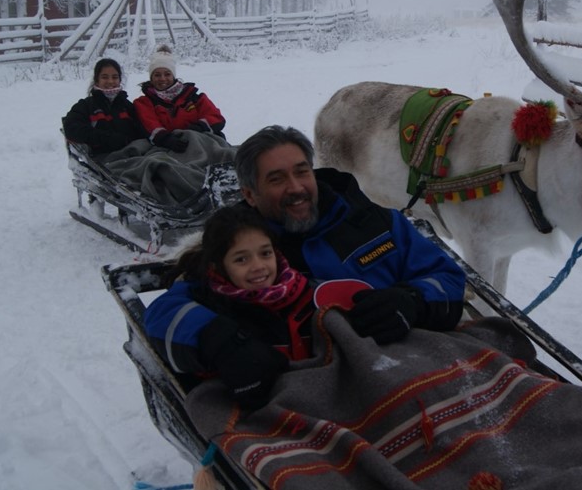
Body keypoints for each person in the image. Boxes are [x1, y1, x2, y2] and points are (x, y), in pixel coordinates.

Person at [144, 125, 467, 374]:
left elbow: (446, 277)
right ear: (251, 194)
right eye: (277, 179)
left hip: (413, 364)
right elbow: (165, 312)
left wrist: (411, 301)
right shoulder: (242, 250)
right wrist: (219, 340)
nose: (296, 188)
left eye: (302, 172)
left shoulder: (376, 223)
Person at [147, 205, 314, 410]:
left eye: (265, 253)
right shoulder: (209, 298)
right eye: (241, 259)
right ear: (218, 266)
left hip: (314, 393)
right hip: (256, 411)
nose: (258, 266)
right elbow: (160, 314)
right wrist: (219, 338)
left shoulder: (297, 289)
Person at [133, 45, 227, 153]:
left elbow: (216, 117)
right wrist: (166, 139)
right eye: (157, 75)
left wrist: (199, 127)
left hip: (199, 144)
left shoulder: (194, 97)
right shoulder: (144, 103)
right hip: (167, 149)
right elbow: (150, 125)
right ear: (151, 78)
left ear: (173, 76)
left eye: (167, 74)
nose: (162, 79)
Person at [62, 58, 147, 155]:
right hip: (107, 161)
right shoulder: (86, 106)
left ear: (120, 80)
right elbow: (72, 129)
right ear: (97, 80)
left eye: (115, 77)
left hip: (135, 153)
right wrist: (108, 138)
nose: (110, 81)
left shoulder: (126, 105)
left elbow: (141, 130)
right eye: (105, 77)